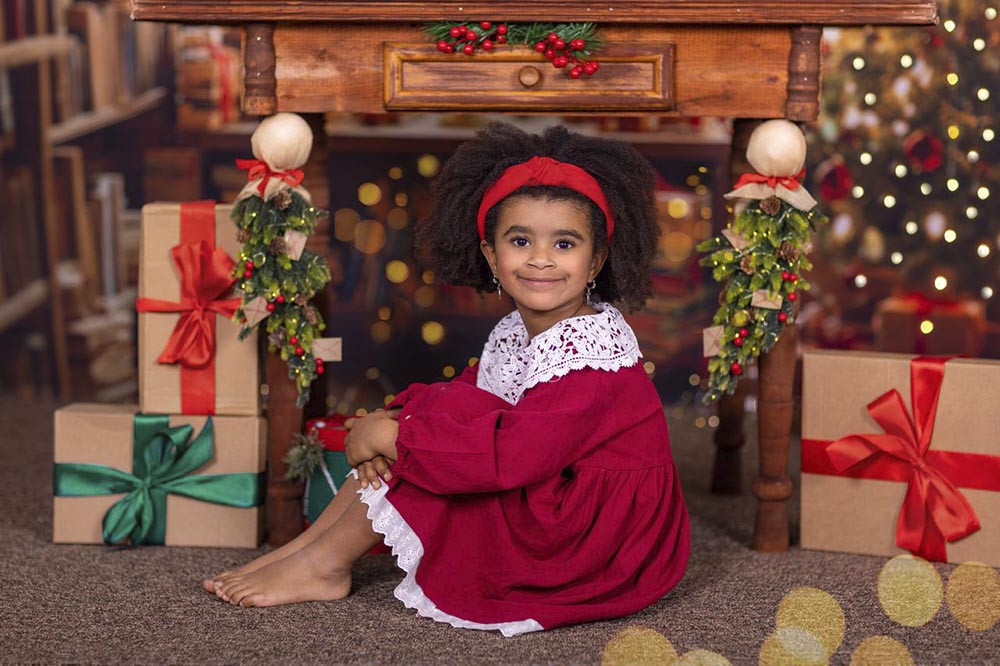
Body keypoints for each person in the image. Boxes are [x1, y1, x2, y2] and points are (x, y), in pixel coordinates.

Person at [203, 121, 691, 636]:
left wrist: (395, 437)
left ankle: (323, 564)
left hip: (593, 537)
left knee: (433, 445)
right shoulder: (520, 329)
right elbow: (468, 398)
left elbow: (509, 456)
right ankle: (308, 548)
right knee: (436, 415)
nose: (540, 259)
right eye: (520, 240)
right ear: (491, 255)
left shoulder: (590, 357)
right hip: (552, 482)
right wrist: (393, 420)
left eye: (565, 243)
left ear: (596, 260)